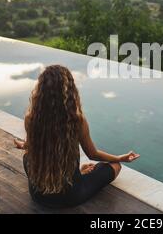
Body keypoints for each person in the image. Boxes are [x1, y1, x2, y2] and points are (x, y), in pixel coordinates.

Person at [14, 64, 140, 207]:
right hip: (71, 196)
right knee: (115, 166)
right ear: (69, 91)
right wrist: (119, 158)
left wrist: (25, 145)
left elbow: (35, 147)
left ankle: (77, 174)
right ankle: (78, 176)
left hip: (38, 195)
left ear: (41, 89)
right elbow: (93, 154)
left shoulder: (31, 117)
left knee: (27, 154)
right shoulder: (76, 120)